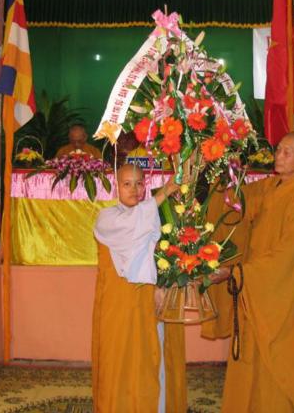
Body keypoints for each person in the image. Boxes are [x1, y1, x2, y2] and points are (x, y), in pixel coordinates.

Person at [214, 131, 294, 413]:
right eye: (278, 150)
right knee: (249, 356)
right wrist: (218, 172)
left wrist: (236, 272)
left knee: (276, 360)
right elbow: (236, 204)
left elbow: (288, 256)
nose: (278, 156)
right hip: (255, 287)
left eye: (288, 152)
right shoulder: (269, 186)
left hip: (279, 293)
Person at [92, 164, 187, 413]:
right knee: (119, 359)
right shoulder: (107, 218)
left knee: (149, 357)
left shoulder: (155, 214)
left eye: (139, 183)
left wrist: (163, 285)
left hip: (149, 300)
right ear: (117, 186)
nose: (134, 189)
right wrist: (165, 191)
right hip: (119, 305)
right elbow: (132, 224)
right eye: (127, 184)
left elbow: (166, 257)